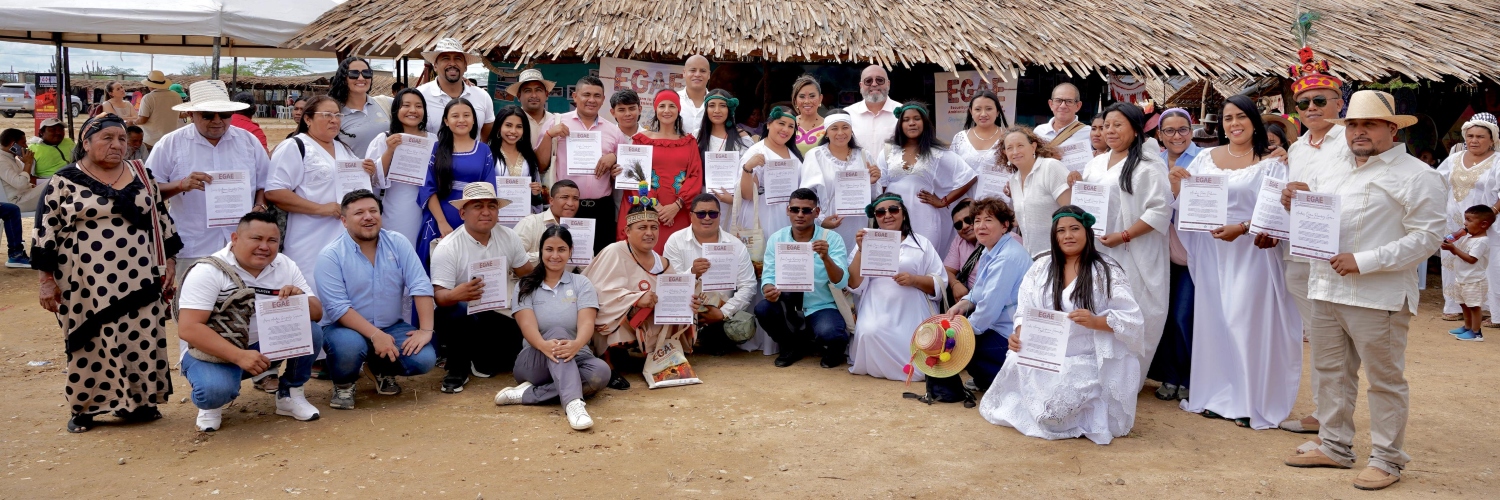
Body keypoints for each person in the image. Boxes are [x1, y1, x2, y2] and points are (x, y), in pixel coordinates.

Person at [1280, 90, 1444, 491]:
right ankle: (1335, 445)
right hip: (1325, 287)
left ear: (1392, 129)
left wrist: (1364, 260)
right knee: (1331, 371)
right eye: (1352, 124)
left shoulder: (1418, 176)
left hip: (1377, 294)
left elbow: (1427, 238)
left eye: (1368, 124)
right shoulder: (1332, 171)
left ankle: (1388, 459)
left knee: (1385, 379)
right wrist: (1294, 202)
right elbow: (1315, 221)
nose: (1359, 132)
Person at [32, 114, 181, 433]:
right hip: (85, 279)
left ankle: (138, 404)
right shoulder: (64, 180)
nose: (117, 145)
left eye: (122, 139)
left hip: (140, 274)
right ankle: (86, 408)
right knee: (91, 339)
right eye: (107, 138)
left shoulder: (142, 174)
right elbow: (46, 231)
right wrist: (46, 281)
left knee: (140, 335)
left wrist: (169, 263)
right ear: (86, 143)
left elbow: (162, 219)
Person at [1171, 96, 1301, 429]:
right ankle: (1216, 394)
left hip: (1251, 252)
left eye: (1241, 117)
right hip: (1213, 252)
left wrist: (1241, 228)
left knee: (1244, 322)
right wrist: (1178, 186)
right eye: (1228, 119)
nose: (1234, 124)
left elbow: (1274, 211)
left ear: (1255, 121)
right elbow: (1190, 204)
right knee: (1216, 322)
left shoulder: (1272, 162)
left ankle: (1248, 401)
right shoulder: (1204, 158)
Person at [979, 205, 1144, 445]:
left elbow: (1132, 319)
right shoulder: (1040, 268)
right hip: (1044, 353)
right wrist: (1019, 332)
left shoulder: (1106, 271)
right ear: (1054, 237)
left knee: (1058, 409)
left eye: (1075, 229)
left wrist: (1096, 321)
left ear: (1087, 232)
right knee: (1016, 361)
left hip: (1085, 356)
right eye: (1061, 231)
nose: (1068, 235)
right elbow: (1024, 309)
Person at [176, 212, 324, 431]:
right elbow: (188, 328)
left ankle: (290, 394)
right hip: (213, 353)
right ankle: (212, 405)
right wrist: (240, 356)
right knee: (214, 392)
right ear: (235, 239)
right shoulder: (208, 271)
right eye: (256, 238)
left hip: (263, 346)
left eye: (272, 240)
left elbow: (317, 314)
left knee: (310, 330)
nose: (264, 246)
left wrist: (299, 298)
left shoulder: (284, 264)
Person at [1277, 47, 1349, 435]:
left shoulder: (1351, 141)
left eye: (1320, 100)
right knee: (1318, 338)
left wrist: (1310, 192)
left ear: (1340, 102)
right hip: (1299, 253)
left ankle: (1333, 418)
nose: (1311, 107)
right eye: (1303, 102)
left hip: (1337, 253)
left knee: (1336, 341)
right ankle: (1324, 413)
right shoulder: (1297, 147)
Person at [317, 190, 439, 409]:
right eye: (359, 213)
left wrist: (426, 330)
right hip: (344, 329)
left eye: (374, 211)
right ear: (344, 221)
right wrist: (375, 335)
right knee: (348, 347)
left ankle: (380, 368)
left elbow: (420, 285)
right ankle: (343, 384)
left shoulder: (397, 242)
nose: (368, 217)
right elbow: (338, 308)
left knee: (424, 359)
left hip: (390, 326)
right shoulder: (331, 255)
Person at [1074, 102, 1171, 372]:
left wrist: (1124, 235)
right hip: (1098, 250)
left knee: (1132, 308)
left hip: (1133, 252)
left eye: (1118, 124)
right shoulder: (1096, 162)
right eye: (1106, 125)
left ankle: (1128, 376)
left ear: (1136, 128)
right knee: (1099, 307)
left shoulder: (1148, 165)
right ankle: (1099, 372)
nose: (1110, 131)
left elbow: (1160, 209)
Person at [150, 80, 271, 280]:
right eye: (208, 115)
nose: (217, 121)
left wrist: (260, 205)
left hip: (241, 245)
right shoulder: (171, 144)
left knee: (242, 305)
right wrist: (181, 185)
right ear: (191, 115)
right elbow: (150, 191)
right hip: (194, 246)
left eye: (224, 115)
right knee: (194, 308)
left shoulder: (248, 142)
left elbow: (264, 184)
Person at [495, 224, 610, 431]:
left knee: (601, 372)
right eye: (549, 249)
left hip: (575, 354)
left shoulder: (581, 283)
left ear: (570, 251)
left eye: (561, 249)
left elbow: (586, 322)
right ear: (541, 252)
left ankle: (526, 394)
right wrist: (543, 345)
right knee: (557, 333)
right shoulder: (526, 285)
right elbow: (526, 325)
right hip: (534, 360)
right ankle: (574, 403)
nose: (555, 255)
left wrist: (576, 345)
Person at [430, 183, 535, 393]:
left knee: (513, 353)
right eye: (478, 206)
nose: (486, 212)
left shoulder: (508, 236)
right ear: (462, 213)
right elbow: (439, 297)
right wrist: (456, 294)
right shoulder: (448, 247)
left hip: (498, 310)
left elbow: (527, 272)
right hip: (465, 312)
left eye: (492, 206)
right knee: (453, 311)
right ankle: (457, 368)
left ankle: (478, 358)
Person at [266, 95, 376, 289]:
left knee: (343, 291)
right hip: (309, 238)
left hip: (344, 238)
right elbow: (275, 192)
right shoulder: (295, 146)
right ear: (307, 119)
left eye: (337, 115)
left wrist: (367, 171)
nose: (334, 120)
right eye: (327, 115)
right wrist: (321, 209)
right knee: (313, 291)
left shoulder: (343, 148)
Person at [582, 202, 695, 389]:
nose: (649, 233)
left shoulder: (663, 262)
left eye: (653, 227)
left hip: (646, 320)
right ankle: (607, 362)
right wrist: (635, 299)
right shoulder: (614, 251)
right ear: (627, 230)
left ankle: (652, 356)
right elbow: (597, 293)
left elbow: (675, 294)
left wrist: (689, 301)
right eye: (642, 228)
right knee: (619, 311)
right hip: (620, 319)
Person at [933, 198, 1028, 401]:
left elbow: (988, 310)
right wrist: (962, 304)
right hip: (1000, 326)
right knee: (951, 339)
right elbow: (979, 291)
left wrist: (959, 334)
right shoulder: (991, 249)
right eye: (977, 220)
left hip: (1010, 333)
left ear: (1004, 226)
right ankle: (989, 379)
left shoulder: (1006, 257)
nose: (980, 226)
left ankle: (998, 381)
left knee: (951, 346)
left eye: (988, 220)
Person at [846, 194, 944, 380]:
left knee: (917, 346)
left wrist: (914, 280)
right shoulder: (866, 242)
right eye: (880, 212)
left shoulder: (922, 244)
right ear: (876, 218)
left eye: (893, 210)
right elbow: (853, 283)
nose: (887, 215)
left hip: (912, 308)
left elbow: (939, 283)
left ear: (904, 214)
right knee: (869, 332)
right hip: (876, 306)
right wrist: (861, 249)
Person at [754, 188, 849, 368]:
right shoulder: (777, 238)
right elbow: (769, 274)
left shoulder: (832, 239)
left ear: (817, 213)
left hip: (821, 305)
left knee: (830, 332)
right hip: (787, 304)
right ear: (787, 210)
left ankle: (835, 347)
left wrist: (826, 257)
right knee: (763, 309)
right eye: (795, 209)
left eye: (806, 210)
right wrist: (768, 288)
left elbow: (841, 282)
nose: (800, 214)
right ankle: (791, 347)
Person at [1147, 107, 1202, 401]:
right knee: (1163, 316)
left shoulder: (1204, 160)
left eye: (1182, 130)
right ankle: (1169, 377)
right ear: (1159, 135)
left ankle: (1190, 378)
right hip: (1157, 251)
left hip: (1190, 252)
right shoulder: (1152, 162)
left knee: (1183, 317)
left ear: (1191, 132)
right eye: (1169, 131)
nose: (1176, 136)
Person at [874, 102, 977, 257]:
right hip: (893, 217)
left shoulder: (936, 152)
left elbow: (969, 177)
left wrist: (943, 201)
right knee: (894, 259)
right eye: (906, 119)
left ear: (925, 122)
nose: (912, 123)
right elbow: (880, 188)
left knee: (925, 259)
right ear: (900, 124)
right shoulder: (888, 151)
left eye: (917, 118)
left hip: (925, 217)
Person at [663, 194, 759, 355]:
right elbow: (669, 284)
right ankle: (691, 335)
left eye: (712, 213)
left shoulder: (735, 245)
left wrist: (723, 312)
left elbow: (748, 285)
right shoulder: (675, 241)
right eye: (701, 213)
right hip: (685, 311)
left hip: (718, 312)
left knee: (744, 327)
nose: (707, 218)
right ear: (691, 215)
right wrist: (692, 273)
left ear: (720, 216)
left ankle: (709, 336)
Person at [544, 76, 629, 255]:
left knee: (601, 258)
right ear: (575, 97)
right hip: (567, 206)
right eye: (586, 94)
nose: (592, 100)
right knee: (564, 257)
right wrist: (548, 136)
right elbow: (541, 162)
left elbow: (625, 167)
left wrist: (614, 157)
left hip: (602, 208)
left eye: (597, 96)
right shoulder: (557, 123)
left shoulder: (614, 131)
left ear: (603, 100)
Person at [416, 98, 497, 266]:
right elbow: (428, 187)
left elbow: (489, 190)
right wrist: (442, 222)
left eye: (466, 115)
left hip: (474, 217)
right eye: (455, 116)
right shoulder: (437, 149)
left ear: (474, 119)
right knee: (438, 265)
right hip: (440, 218)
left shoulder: (483, 149)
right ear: (446, 121)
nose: (461, 120)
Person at [621, 90, 703, 252]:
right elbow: (635, 177)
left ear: (678, 110)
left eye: (672, 106)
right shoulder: (641, 140)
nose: (666, 110)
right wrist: (656, 206)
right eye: (662, 106)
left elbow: (695, 175)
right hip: (647, 212)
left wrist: (676, 206)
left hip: (679, 213)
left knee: (677, 258)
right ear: (655, 110)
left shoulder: (689, 142)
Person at [1437, 114, 1498, 321]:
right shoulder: (1454, 159)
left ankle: (1488, 308)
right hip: (1454, 222)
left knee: (1484, 263)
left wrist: (1488, 217)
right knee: (1452, 261)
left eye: (1480, 136)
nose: (1474, 140)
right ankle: (1453, 305)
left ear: (1492, 139)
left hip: (1486, 224)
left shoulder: (1497, 161)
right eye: (1470, 135)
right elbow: (1436, 183)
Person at [800, 112, 881, 250]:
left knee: (855, 263)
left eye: (845, 127)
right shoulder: (816, 155)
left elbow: (875, 197)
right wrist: (820, 220)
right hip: (827, 222)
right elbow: (806, 194)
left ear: (851, 130)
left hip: (857, 224)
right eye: (834, 128)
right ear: (826, 133)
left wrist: (872, 182)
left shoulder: (863, 155)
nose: (840, 132)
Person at [367, 88, 433, 244]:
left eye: (418, 106)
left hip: (430, 207)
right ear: (396, 109)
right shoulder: (384, 139)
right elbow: (372, 179)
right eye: (406, 105)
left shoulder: (433, 140)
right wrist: (390, 150)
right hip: (398, 208)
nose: (413, 110)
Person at [737, 106, 804, 240]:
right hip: (764, 217)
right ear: (768, 124)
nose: (786, 129)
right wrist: (748, 168)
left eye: (791, 126)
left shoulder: (794, 154)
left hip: (789, 217)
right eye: (781, 123)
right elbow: (748, 195)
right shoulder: (757, 152)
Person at [1002, 126, 1070, 257]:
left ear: (1033, 147)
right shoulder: (1013, 180)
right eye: (1009, 148)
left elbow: (1072, 212)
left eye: (1020, 145)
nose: (1015, 151)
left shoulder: (1050, 167)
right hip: (1032, 258)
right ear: (1005, 153)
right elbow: (1022, 218)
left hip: (1060, 255)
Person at [696, 89, 754, 230]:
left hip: (733, 203)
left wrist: (734, 199)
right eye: (712, 105)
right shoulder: (697, 137)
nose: (717, 110)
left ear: (729, 109)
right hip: (703, 203)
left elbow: (748, 173)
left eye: (722, 105)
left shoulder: (742, 139)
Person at [417, 39, 496, 141]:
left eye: (458, 59)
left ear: (465, 66)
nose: (452, 63)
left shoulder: (482, 96)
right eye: (445, 58)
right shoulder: (421, 95)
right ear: (435, 66)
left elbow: (485, 137)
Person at [1445, 205, 1493, 341]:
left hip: (1474, 280)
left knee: (1474, 306)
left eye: (1469, 220)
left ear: (1483, 224)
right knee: (1464, 303)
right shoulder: (1469, 237)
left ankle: (1476, 332)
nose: (1465, 223)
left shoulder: (1482, 241)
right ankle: (1467, 327)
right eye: (1465, 219)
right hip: (1463, 278)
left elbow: (1472, 259)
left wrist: (1454, 250)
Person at [952, 90, 1007, 204]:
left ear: (997, 111)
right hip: (965, 206)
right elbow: (951, 173)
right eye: (978, 109)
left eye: (988, 108)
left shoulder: (1008, 138)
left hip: (1000, 206)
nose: (983, 114)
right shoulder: (960, 139)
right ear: (971, 111)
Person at [493, 105, 550, 213]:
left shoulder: (529, 157)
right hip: (496, 217)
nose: (513, 131)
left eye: (519, 126)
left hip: (524, 218)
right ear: (499, 127)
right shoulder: (489, 155)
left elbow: (537, 200)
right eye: (508, 125)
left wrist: (536, 192)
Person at [332, 56, 391, 155]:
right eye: (354, 74)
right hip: (355, 170)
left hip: (389, 170)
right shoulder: (334, 113)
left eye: (366, 73)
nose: (361, 78)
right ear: (343, 77)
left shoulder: (386, 103)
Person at [515, 180, 580, 267]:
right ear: (551, 201)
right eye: (564, 197)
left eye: (575, 199)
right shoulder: (531, 223)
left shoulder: (581, 229)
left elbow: (587, 269)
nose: (570, 203)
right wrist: (547, 254)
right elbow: (514, 259)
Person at [1034, 83, 1094, 173]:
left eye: (1069, 101)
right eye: (1058, 101)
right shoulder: (1039, 131)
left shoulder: (1090, 132)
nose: (1062, 106)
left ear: (1078, 106)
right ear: (1051, 104)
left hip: (1073, 185)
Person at [843, 65, 902, 153]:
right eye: (868, 81)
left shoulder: (904, 112)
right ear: (861, 85)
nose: (874, 84)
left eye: (880, 80)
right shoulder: (847, 114)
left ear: (888, 84)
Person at [508, 69, 557, 149]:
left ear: (546, 94)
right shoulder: (512, 122)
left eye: (538, 90)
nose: (534, 95)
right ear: (519, 96)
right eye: (527, 91)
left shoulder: (554, 121)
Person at [135, 70, 185, 148]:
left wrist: (133, 122)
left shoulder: (148, 98)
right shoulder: (176, 95)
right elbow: (178, 114)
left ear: (150, 85)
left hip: (152, 141)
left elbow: (143, 120)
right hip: (170, 139)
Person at [943, 199, 978, 303]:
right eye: (958, 225)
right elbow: (946, 270)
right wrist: (955, 283)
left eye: (968, 219)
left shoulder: (1004, 239)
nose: (965, 226)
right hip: (971, 303)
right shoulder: (959, 241)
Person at [1, 128, 43, 210]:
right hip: (16, 202)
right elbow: (21, 184)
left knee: (55, 182)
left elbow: (24, 183)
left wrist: (32, 185)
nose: (26, 146)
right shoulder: (2, 161)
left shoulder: (12, 159)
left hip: (24, 196)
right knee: (56, 182)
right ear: (13, 144)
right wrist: (28, 163)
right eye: (23, 143)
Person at [791, 75, 826, 155]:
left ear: (820, 98)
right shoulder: (788, 124)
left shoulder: (829, 126)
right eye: (802, 97)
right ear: (795, 100)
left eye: (812, 96)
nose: (807, 101)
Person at [677, 55, 711, 134]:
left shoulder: (717, 102)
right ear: (684, 73)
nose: (697, 74)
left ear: (709, 75)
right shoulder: (673, 100)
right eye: (693, 70)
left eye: (703, 71)